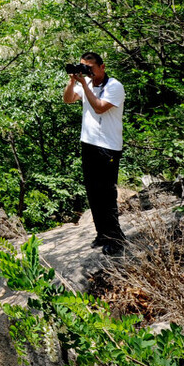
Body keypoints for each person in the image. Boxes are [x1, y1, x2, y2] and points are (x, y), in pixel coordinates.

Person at [63, 52, 126, 256]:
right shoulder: (85, 83)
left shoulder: (114, 86)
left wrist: (85, 85)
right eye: (84, 67)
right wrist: (73, 82)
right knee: (93, 193)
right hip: (88, 143)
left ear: (102, 66)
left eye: (90, 68)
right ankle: (102, 233)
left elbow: (99, 108)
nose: (87, 71)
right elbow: (67, 100)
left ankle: (115, 238)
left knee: (107, 193)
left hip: (107, 146)